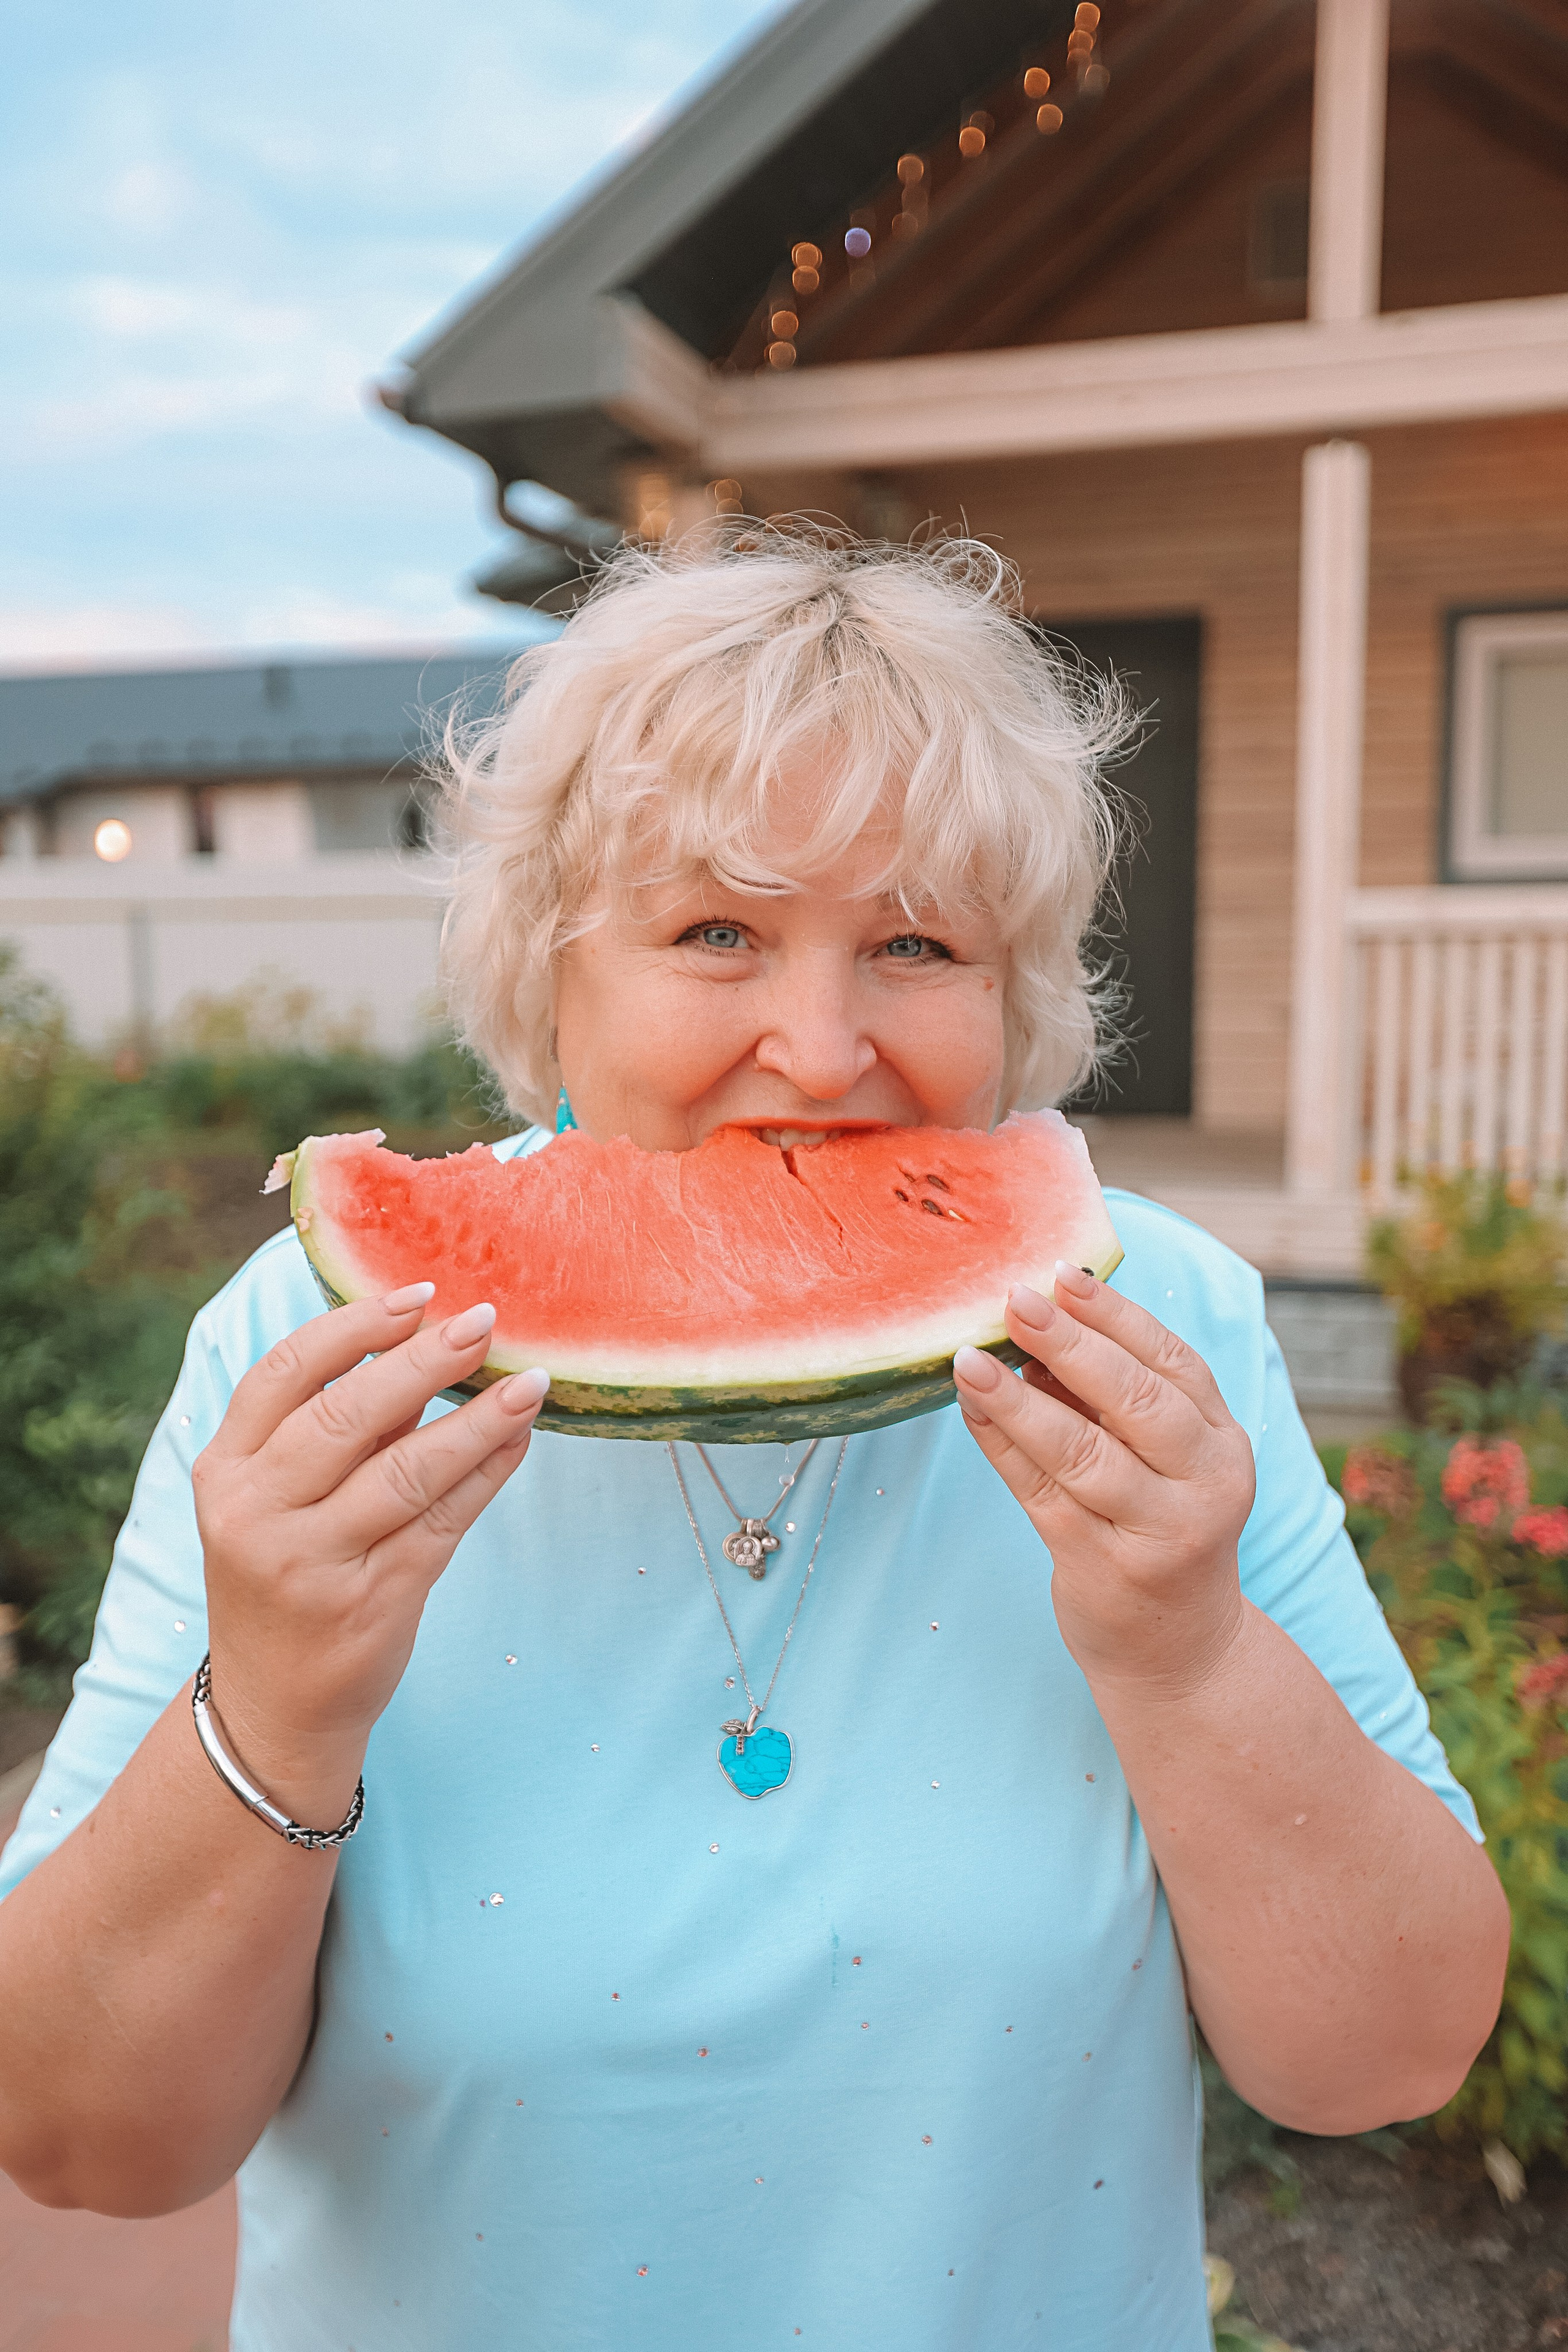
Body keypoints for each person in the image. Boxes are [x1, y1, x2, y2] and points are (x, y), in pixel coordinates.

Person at [0, 532, 1507, 2351]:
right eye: (717, 932)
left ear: (1015, 993)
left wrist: (1187, 1652)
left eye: (916, 944)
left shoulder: (1152, 1331)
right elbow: (82, 2141)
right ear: (550, 969)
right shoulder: (316, 1354)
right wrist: (273, 1703)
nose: (819, 1044)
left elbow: (1385, 2061)